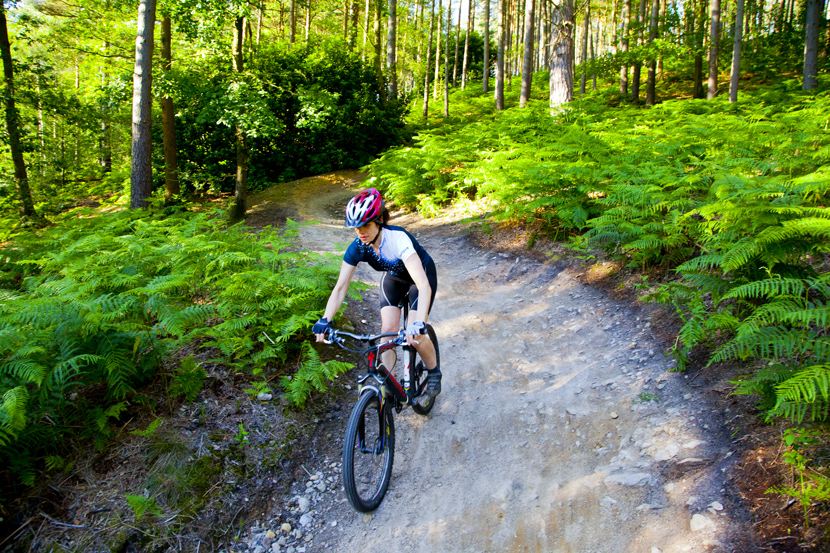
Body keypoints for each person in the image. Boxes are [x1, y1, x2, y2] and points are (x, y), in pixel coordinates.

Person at [312, 188, 441, 397]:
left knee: (414, 335)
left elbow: (423, 285)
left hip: (420, 278)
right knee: (388, 331)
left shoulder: (398, 240)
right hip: (394, 279)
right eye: (356, 228)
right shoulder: (359, 247)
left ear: (380, 220)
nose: (361, 232)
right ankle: (388, 383)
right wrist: (325, 319)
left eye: (366, 225)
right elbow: (340, 287)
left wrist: (419, 324)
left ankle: (434, 373)